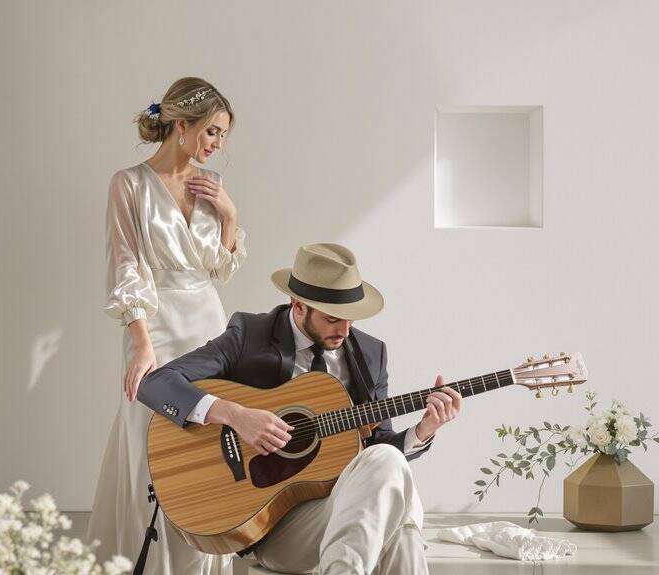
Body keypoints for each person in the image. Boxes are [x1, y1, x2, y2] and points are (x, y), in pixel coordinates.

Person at [137, 243, 462, 574]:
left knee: (392, 471)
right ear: (298, 305)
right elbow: (156, 383)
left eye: (351, 319)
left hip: (344, 510)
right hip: (272, 526)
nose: (345, 331)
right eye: (333, 319)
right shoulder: (250, 335)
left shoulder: (369, 353)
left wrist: (423, 431)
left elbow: (379, 450)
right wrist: (236, 415)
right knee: (403, 518)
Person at [86, 77, 244, 575]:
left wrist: (229, 214)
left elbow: (220, 268)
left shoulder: (210, 185)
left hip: (209, 323)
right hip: (156, 326)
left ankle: (202, 559)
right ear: (181, 126)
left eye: (222, 136)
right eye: (212, 132)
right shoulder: (128, 183)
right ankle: (147, 561)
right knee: (148, 441)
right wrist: (140, 344)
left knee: (210, 443)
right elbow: (126, 264)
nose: (216, 145)